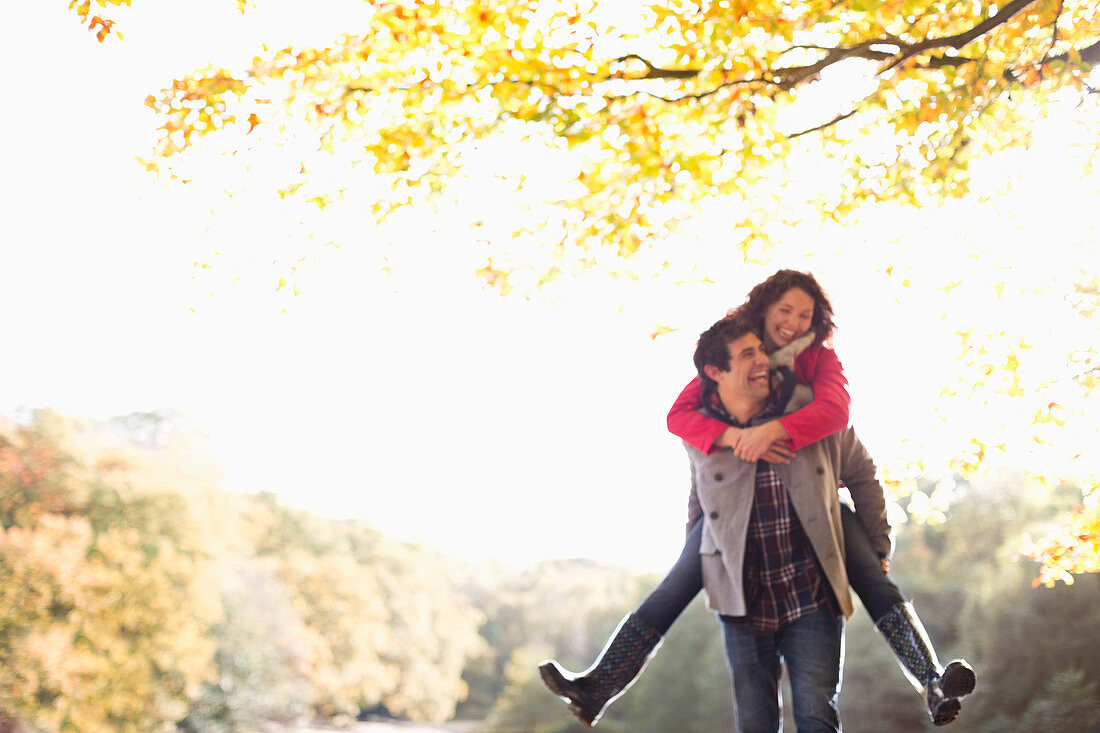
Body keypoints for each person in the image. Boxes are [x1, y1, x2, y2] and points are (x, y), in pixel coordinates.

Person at [539, 270, 974, 728]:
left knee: (872, 575)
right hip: (735, 548)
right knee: (671, 593)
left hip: (817, 517)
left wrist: (777, 430)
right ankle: (597, 687)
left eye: (804, 315)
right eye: (784, 310)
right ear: (762, 312)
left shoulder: (816, 369)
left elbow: (839, 418)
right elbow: (683, 426)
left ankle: (931, 679)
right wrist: (728, 443)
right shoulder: (721, 379)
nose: (792, 322)